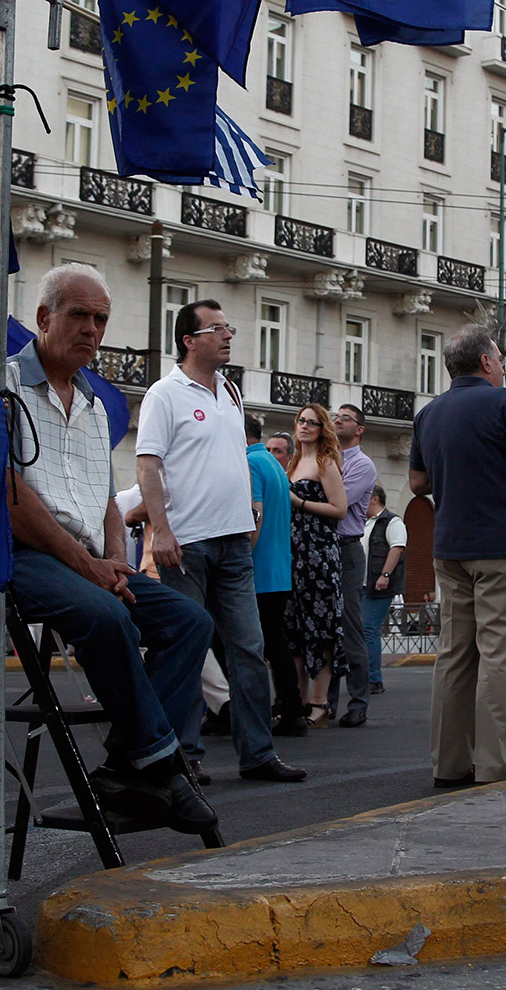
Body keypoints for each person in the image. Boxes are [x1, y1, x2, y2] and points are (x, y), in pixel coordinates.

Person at [0, 262, 217, 832]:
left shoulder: (96, 403)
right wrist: (87, 566)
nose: (91, 329)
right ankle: (161, 764)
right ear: (43, 317)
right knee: (107, 617)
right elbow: (9, 498)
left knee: (190, 622)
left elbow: (104, 497)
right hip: (22, 557)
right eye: (79, 315)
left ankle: (128, 767)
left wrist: (116, 563)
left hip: (85, 561)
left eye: (101, 319)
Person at [138, 299, 306, 783]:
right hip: (186, 543)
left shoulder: (230, 391)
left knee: (249, 648)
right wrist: (161, 530)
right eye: (217, 329)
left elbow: (231, 461)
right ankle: (183, 757)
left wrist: (249, 518)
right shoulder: (165, 394)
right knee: (187, 648)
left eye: (228, 327)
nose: (228, 335)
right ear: (189, 341)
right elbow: (148, 463)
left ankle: (258, 753)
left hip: (234, 542)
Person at [411, 325, 506, 787]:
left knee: (453, 654)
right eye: (500, 359)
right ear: (487, 361)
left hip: (449, 545)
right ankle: (494, 764)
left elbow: (416, 483)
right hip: (498, 545)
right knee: (496, 655)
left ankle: (448, 764)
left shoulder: (428, 414)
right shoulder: (503, 401)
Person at [284, 403, 348, 728]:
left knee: (321, 628)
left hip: (319, 553)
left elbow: (340, 509)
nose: (305, 426)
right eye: (301, 421)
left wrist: (301, 502)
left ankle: (319, 702)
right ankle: (299, 699)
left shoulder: (325, 463)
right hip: (293, 553)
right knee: (295, 628)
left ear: (323, 429)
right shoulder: (293, 462)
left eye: (312, 422)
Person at [245, 412, 306, 737]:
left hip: (258, 567)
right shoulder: (273, 465)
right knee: (275, 641)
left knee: (265, 642)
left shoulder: (252, 463)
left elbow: (256, 513)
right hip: (278, 567)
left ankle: (288, 708)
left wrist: (243, 557)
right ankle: (289, 706)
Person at [330, 404, 378, 728]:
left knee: (350, 628)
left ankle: (358, 701)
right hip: (321, 550)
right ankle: (324, 703)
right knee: (323, 629)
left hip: (346, 550)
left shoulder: (362, 465)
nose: (337, 420)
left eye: (345, 418)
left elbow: (338, 504)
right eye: (335, 416)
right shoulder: (327, 460)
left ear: (359, 429)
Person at [360, 483, 406, 695]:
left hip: (378, 586)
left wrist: (385, 575)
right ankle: (362, 675)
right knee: (361, 631)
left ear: (375, 499)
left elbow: (396, 549)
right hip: (360, 585)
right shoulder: (364, 522)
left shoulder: (392, 521)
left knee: (369, 628)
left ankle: (374, 679)